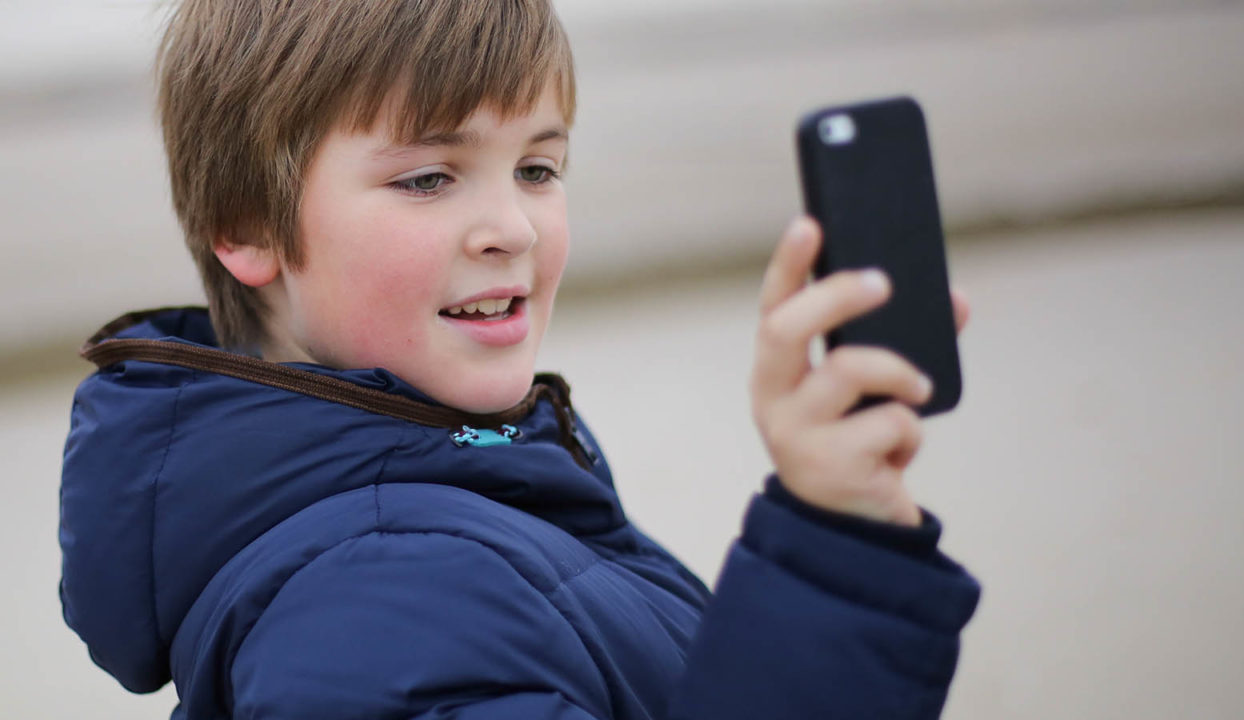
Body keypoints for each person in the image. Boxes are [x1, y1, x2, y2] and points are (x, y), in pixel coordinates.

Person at [58, 1, 980, 718]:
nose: (512, 228)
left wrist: (843, 527)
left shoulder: (463, 500)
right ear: (246, 227)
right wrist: (823, 560)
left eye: (537, 168)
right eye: (428, 177)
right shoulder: (381, 605)